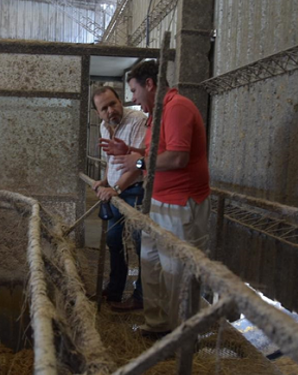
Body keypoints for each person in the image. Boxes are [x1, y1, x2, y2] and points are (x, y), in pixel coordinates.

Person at [100, 60, 211, 337]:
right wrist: (131, 149)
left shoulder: (177, 108)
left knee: (177, 270)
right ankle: (157, 324)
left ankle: (182, 334)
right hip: (158, 201)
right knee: (150, 263)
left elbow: (177, 157)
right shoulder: (157, 114)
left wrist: (138, 164)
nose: (133, 99)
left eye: (134, 91)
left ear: (150, 84)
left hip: (180, 204)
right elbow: (156, 152)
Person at [91, 86, 147, 311]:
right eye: (104, 108)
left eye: (113, 103)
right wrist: (105, 181)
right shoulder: (105, 127)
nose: (110, 111)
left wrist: (115, 187)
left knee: (141, 244)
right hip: (116, 192)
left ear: (119, 101)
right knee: (114, 241)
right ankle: (114, 290)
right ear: (98, 113)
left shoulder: (137, 121)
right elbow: (110, 160)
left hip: (134, 191)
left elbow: (138, 164)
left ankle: (140, 296)